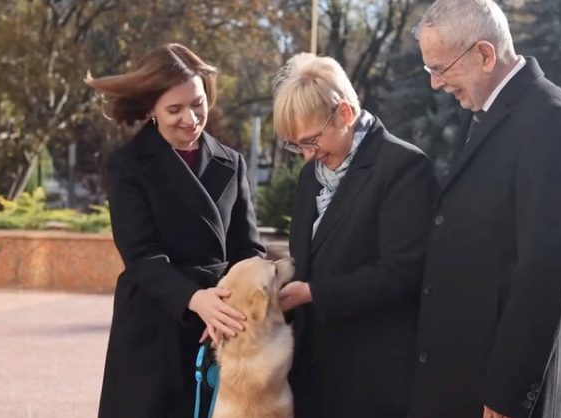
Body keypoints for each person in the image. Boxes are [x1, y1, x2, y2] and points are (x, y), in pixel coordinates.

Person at [409, 1, 561, 418]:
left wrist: (507, 394)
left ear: (485, 54)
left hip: (497, 394)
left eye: (440, 68)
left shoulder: (549, 118)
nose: (435, 84)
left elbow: (547, 269)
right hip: (463, 375)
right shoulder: (487, 109)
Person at [86, 43, 265, 418]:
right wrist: (196, 299)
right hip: (153, 328)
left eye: (197, 103)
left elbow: (249, 249)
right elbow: (140, 254)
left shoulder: (232, 163)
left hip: (219, 327)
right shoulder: (128, 165)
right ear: (151, 109)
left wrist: (231, 304)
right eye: (174, 109)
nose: (191, 118)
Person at [273, 52, 439, 418]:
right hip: (312, 379)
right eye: (297, 145)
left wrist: (314, 293)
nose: (306, 155)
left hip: (371, 382)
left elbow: (403, 273)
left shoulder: (404, 168)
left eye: (311, 140)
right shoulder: (310, 177)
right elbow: (308, 258)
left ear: (345, 114)